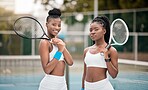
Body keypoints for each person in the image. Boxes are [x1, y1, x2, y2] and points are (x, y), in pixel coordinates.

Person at [38, 8, 73, 90]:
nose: (57, 28)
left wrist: (62, 47)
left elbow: (70, 62)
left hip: (62, 85)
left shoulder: (60, 42)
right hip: (49, 85)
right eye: (53, 24)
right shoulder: (44, 43)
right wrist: (60, 51)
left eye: (59, 25)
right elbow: (47, 69)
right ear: (46, 24)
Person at [81, 16, 118, 90]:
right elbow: (85, 73)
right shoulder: (86, 51)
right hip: (88, 87)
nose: (93, 32)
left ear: (104, 31)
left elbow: (114, 75)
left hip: (103, 87)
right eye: (91, 30)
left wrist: (107, 58)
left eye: (96, 29)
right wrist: (82, 88)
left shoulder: (111, 51)